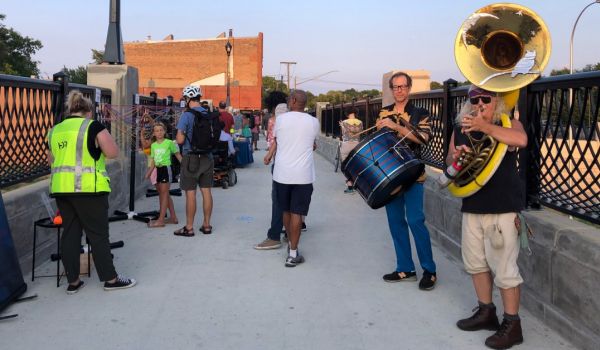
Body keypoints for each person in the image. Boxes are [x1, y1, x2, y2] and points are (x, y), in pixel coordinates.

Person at [450, 85, 527, 349]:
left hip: (502, 206)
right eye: (474, 98)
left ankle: (513, 324)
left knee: (505, 270)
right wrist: (457, 157)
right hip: (472, 204)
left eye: (486, 98)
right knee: (476, 263)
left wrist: (485, 127)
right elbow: (449, 158)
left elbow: (521, 141)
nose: (480, 103)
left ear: (497, 101)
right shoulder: (460, 127)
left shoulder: (509, 122)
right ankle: (486, 312)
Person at [46, 90, 136, 293]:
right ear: (88, 111)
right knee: (98, 234)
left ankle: (73, 281)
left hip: (61, 189)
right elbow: (112, 152)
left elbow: (51, 161)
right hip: (89, 189)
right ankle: (111, 279)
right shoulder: (92, 126)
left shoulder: (55, 130)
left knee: (69, 234)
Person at [376, 71, 437, 290]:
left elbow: (423, 138)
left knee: (415, 221)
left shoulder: (420, 112)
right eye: (395, 87)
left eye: (403, 86)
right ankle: (405, 268)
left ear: (409, 88)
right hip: (391, 175)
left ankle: (429, 269)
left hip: (413, 174)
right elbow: (380, 141)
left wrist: (397, 127)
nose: (399, 90)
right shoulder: (384, 112)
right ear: (391, 89)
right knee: (395, 222)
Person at [264, 90, 319, 267]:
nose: (287, 100)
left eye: (289, 98)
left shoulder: (281, 120)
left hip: (282, 174)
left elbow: (277, 140)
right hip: (303, 175)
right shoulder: (314, 122)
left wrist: (269, 155)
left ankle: (290, 244)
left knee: (286, 211)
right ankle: (293, 252)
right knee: (297, 213)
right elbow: (313, 145)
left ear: (294, 100)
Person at [174, 85, 214, 236]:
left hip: (191, 158)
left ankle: (189, 227)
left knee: (191, 194)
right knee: (206, 191)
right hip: (208, 157)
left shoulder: (186, 115)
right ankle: (207, 225)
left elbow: (179, 139)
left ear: (188, 98)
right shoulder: (208, 113)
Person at [145, 122, 182, 228]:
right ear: (154, 133)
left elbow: (178, 155)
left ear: (165, 131)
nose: (159, 132)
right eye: (157, 131)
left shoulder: (169, 142)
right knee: (163, 194)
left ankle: (161, 220)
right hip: (158, 169)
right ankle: (173, 217)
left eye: (161, 130)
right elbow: (153, 161)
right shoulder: (153, 145)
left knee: (164, 194)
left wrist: (185, 167)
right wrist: (149, 172)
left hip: (166, 169)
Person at [339, 108, 363, 194]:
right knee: (355, 165)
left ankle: (350, 185)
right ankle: (356, 183)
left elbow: (344, 134)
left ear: (347, 114)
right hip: (357, 144)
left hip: (347, 145)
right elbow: (359, 132)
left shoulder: (344, 122)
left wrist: (342, 125)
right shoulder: (360, 122)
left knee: (345, 166)